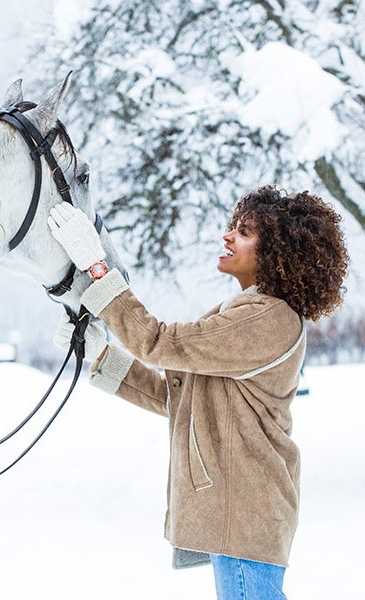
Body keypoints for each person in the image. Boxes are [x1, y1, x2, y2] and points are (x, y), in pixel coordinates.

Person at [48, 185, 349, 600]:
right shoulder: (252, 316)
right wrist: (102, 357)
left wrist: (98, 270)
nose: (227, 236)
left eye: (244, 232)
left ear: (278, 250)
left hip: (247, 511)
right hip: (245, 513)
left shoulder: (268, 318)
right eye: (232, 228)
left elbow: (159, 341)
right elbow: (180, 399)